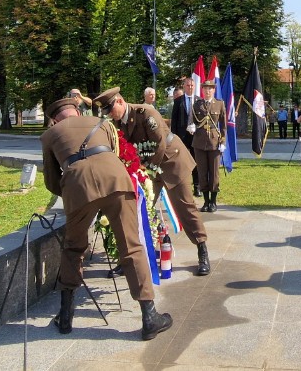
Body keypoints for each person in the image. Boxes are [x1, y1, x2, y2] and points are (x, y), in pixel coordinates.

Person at [40, 97, 172, 339]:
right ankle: (149, 316)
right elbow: (115, 153)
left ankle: (66, 317)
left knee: (73, 249)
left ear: (54, 119)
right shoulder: (103, 123)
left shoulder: (50, 135)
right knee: (131, 247)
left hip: (77, 188)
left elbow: (51, 180)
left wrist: (77, 197)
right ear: (77, 112)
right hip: (117, 182)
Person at [94, 87, 211, 276]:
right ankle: (130, 258)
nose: (110, 115)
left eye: (111, 110)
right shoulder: (117, 122)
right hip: (148, 168)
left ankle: (202, 250)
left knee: (185, 208)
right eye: (106, 112)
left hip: (172, 162)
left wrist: (144, 169)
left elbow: (159, 143)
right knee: (137, 209)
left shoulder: (145, 113)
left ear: (120, 102)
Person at [191, 80, 226, 212]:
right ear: (202, 90)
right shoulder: (197, 104)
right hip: (199, 143)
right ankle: (205, 202)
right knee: (202, 172)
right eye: (205, 88)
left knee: (214, 173)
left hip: (214, 143)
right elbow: (193, 121)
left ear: (213, 90)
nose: (207, 91)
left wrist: (222, 142)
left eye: (210, 89)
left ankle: (213, 201)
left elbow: (223, 126)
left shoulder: (219, 104)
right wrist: (192, 126)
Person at [170, 77, 200, 197]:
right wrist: (174, 137)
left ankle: (197, 187)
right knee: (181, 162)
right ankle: (182, 186)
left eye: (192, 85)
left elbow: (202, 119)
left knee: (195, 161)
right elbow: (174, 120)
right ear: (184, 86)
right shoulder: (178, 101)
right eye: (188, 85)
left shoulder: (199, 101)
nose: (190, 87)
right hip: (181, 137)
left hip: (195, 136)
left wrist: (197, 128)